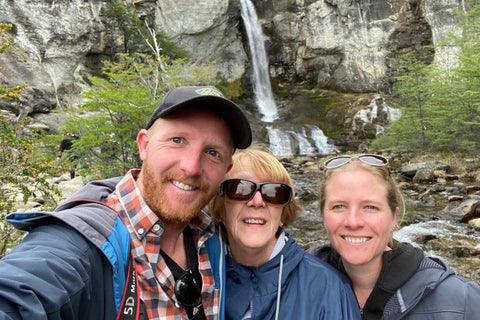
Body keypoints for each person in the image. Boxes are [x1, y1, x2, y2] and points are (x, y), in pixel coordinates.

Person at [0, 86, 252, 320]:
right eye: (177, 140)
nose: (191, 167)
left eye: (212, 153)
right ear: (144, 145)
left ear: (226, 170)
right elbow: (22, 291)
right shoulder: (82, 241)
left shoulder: (216, 233)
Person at [308, 154, 480, 319]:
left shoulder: (462, 302)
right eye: (338, 206)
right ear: (323, 216)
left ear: (394, 218)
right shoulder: (294, 288)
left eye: (370, 207)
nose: (353, 222)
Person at [209, 148, 361, 320]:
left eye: (274, 193)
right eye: (240, 189)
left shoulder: (329, 288)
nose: (257, 201)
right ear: (220, 209)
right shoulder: (201, 275)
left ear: (284, 213)